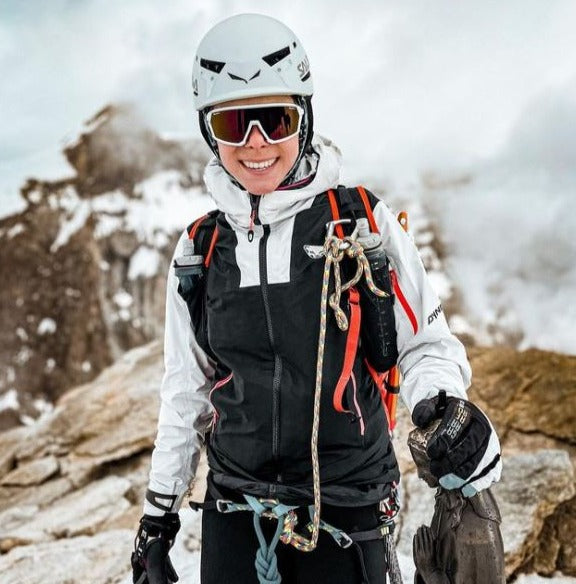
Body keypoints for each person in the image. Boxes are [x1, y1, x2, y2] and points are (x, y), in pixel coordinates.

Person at [131, 13, 502, 584]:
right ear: (210, 131)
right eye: (234, 123)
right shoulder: (199, 251)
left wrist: (441, 405)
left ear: (303, 119)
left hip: (348, 511)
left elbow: (428, 345)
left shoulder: (359, 222)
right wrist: (158, 519)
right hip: (234, 517)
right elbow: (187, 391)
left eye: (275, 120)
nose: (257, 144)